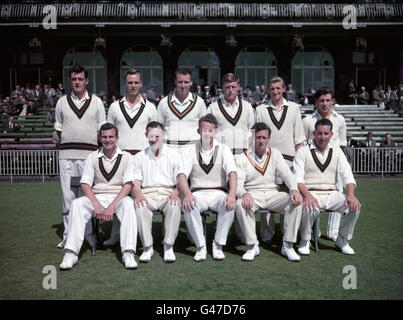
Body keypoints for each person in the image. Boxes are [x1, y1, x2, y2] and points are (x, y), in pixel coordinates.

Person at [59, 123, 138, 270]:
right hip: (98, 197)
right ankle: (71, 253)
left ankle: (128, 252)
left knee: (128, 204)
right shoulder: (92, 157)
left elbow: (128, 185)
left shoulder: (127, 157)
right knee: (77, 204)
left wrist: (111, 207)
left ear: (117, 138)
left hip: (118, 198)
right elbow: (85, 184)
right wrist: (96, 205)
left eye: (111, 137)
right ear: (100, 138)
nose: (108, 140)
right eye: (104, 137)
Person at [54, 64, 106, 249]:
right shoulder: (61, 101)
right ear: (70, 80)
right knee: (68, 197)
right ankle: (69, 236)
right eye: (74, 79)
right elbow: (58, 129)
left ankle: (88, 234)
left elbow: (102, 129)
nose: (77, 82)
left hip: (89, 157)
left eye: (80, 79)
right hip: (66, 155)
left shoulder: (97, 102)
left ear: (86, 81)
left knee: (88, 197)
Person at [104, 69, 158, 246]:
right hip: (122, 158)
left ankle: (144, 238)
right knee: (121, 196)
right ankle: (116, 235)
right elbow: (109, 133)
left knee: (142, 197)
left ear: (141, 83)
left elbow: (155, 134)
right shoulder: (114, 107)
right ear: (125, 84)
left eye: (136, 82)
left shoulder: (150, 107)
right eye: (130, 82)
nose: (133, 86)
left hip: (144, 158)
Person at [235, 122, 303, 262]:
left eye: (264, 137)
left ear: (268, 139)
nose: (261, 141)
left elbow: (287, 175)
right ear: (252, 138)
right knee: (240, 204)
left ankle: (288, 245)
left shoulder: (275, 154)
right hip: (253, 195)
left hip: (273, 194)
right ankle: (252, 245)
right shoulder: (242, 157)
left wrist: (294, 189)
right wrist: (244, 194)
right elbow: (237, 184)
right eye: (258, 137)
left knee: (296, 202)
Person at [294, 118, 361, 256]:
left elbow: (348, 176)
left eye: (326, 134)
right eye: (319, 133)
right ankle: (305, 239)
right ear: (314, 133)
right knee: (308, 206)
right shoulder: (303, 151)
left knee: (354, 206)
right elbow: (298, 179)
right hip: (311, 193)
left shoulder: (337, 152)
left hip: (332, 193)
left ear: (331, 134)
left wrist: (351, 195)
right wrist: (307, 196)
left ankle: (342, 239)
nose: (322, 137)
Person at [178, 114, 237, 262]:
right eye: (204, 130)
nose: (207, 134)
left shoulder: (224, 149)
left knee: (229, 204)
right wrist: (187, 194)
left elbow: (232, 173)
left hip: (219, 192)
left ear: (215, 132)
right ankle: (201, 246)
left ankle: (218, 245)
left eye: (210, 131)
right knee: (189, 205)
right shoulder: (189, 149)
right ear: (198, 131)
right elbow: (182, 176)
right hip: (198, 193)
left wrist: (232, 194)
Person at [255, 76, 305, 243]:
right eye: (272, 88)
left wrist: (299, 165)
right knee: (267, 196)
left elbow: (299, 139)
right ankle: (266, 235)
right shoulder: (261, 109)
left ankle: (286, 234)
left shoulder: (294, 108)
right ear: (268, 90)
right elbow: (256, 138)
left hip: (289, 163)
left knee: (288, 197)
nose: (275, 91)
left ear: (284, 89)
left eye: (278, 88)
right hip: (266, 162)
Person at [132, 121, 184, 263]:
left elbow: (181, 179)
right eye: (151, 136)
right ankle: (148, 247)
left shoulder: (174, 155)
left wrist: (176, 192)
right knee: (140, 205)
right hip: (147, 193)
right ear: (146, 136)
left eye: (157, 136)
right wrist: (138, 195)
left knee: (174, 205)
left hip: (168, 193)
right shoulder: (138, 157)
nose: (154, 139)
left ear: (163, 135)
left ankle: (168, 247)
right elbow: (136, 183)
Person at [303, 87, 347, 241]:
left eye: (328, 100)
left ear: (332, 101)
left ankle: (333, 233)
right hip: (315, 164)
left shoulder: (340, 119)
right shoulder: (308, 120)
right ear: (316, 102)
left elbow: (342, 143)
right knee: (315, 198)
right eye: (321, 100)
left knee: (337, 195)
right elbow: (303, 144)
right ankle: (314, 231)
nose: (325, 103)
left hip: (334, 163)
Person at [157, 68, 206, 152]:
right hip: (169, 150)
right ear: (175, 82)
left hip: (192, 151)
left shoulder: (199, 103)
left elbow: (204, 129)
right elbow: (159, 128)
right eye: (180, 82)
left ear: (191, 82)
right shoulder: (164, 103)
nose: (183, 86)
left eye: (186, 82)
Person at [206, 73, 255, 155]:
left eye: (233, 87)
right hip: (221, 156)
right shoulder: (213, 108)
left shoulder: (247, 107)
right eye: (227, 87)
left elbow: (252, 131)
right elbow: (206, 134)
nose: (231, 90)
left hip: (243, 156)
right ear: (222, 88)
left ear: (238, 87)